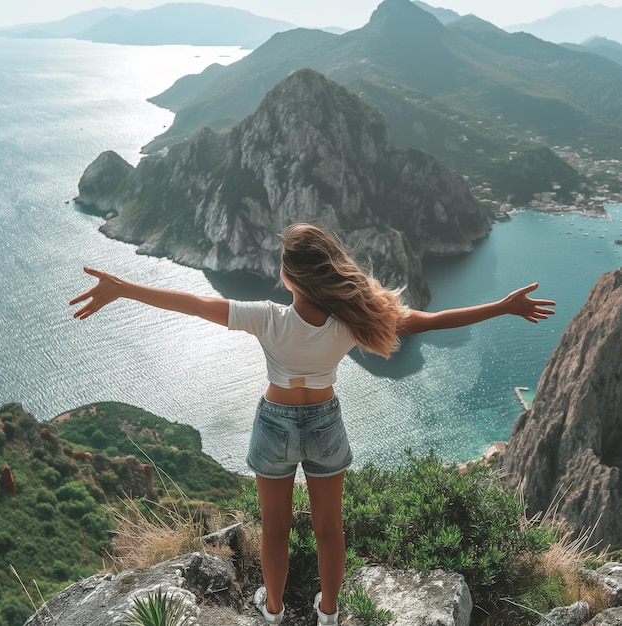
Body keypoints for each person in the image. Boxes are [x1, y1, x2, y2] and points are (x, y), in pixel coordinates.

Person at [69, 223, 556, 626]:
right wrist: (503, 307)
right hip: (324, 422)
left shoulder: (266, 317)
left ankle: (274, 611)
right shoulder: (354, 319)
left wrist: (123, 288)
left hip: (274, 424)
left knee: (276, 529)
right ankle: (328, 613)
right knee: (329, 529)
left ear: (290, 277)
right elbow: (430, 320)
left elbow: (192, 304)